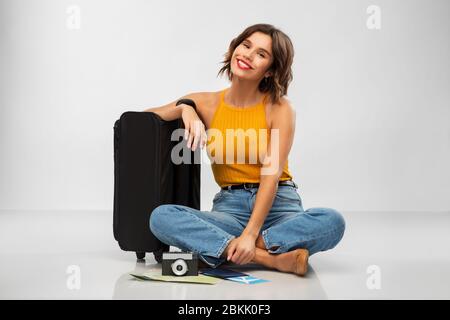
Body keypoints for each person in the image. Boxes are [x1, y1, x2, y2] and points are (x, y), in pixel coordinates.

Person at [144, 23, 345, 276]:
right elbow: (141, 119)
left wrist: (250, 235)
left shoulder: (280, 108)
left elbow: (270, 176)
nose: (248, 55)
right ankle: (271, 259)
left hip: (279, 206)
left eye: (261, 54)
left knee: (332, 222)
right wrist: (185, 108)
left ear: (270, 71)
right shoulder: (206, 102)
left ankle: (226, 249)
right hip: (231, 209)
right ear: (233, 49)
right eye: (246, 45)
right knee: (161, 217)